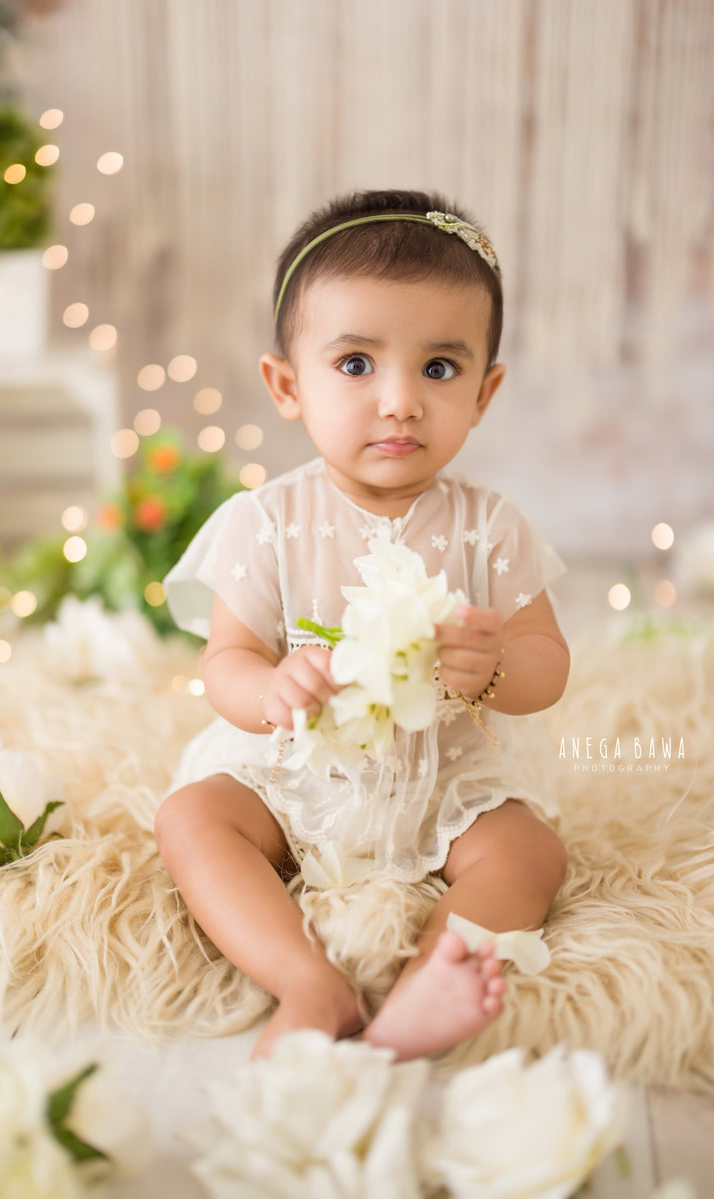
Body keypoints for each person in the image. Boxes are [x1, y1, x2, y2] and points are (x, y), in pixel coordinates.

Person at [155, 188, 570, 1063]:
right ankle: (308, 980)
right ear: (286, 385)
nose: (399, 401)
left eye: (439, 368)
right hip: (295, 767)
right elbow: (224, 663)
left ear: (485, 392)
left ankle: (424, 990)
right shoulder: (267, 520)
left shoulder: (488, 526)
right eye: (354, 364)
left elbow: (546, 664)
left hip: (441, 769)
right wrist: (270, 687)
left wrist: (493, 667)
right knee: (193, 819)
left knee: (529, 852)